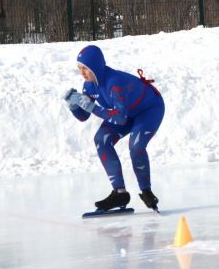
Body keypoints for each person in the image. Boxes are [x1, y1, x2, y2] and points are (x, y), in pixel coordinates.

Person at [63, 45, 165, 212]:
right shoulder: (89, 85)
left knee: (136, 146)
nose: (82, 73)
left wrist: (91, 107)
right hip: (126, 112)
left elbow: (120, 118)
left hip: (149, 109)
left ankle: (147, 191)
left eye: (85, 68)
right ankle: (119, 193)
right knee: (101, 140)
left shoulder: (114, 84)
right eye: (79, 68)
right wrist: (73, 105)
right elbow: (84, 116)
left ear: (95, 67)